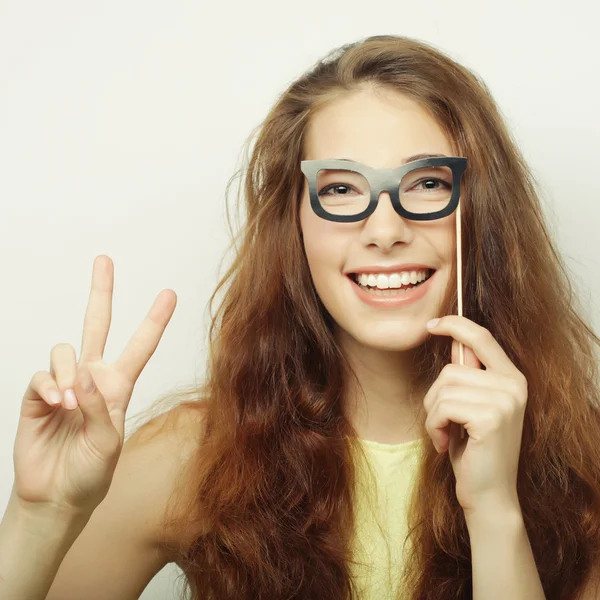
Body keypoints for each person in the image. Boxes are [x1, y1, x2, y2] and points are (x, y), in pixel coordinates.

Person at [1, 34, 600, 600]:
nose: (386, 231)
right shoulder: (195, 456)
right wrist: (41, 514)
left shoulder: (580, 461)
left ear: (482, 214)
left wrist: (495, 512)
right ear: (295, 224)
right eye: (339, 190)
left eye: (426, 182)